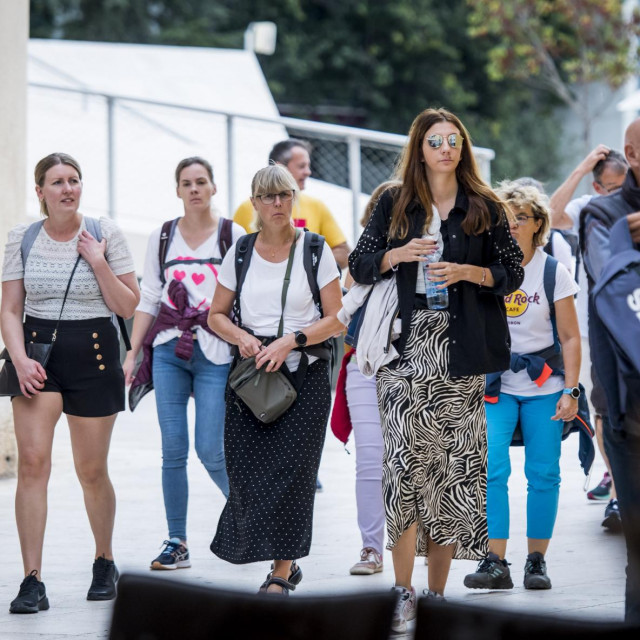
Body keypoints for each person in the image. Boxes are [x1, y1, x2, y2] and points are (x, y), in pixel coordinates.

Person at [348, 108, 524, 634]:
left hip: (462, 348)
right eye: (434, 141)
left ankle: (437, 595)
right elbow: (359, 264)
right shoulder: (393, 201)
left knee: (449, 475)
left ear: (462, 147)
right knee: (403, 471)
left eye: (452, 140)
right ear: (419, 148)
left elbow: (512, 273)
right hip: (404, 349)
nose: (444, 148)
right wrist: (399, 253)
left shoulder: (484, 205)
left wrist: (468, 271)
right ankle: (403, 593)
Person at [1, 152, 139, 612]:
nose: (67, 189)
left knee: (91, 471)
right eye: (57, 182)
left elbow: (126, 306)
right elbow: (9, 309)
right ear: (39, 191)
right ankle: (31, 580)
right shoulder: (22, 237)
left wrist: (98, 261)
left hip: (95, 356)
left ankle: (104, 559)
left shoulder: (104, 233)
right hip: (38, 357)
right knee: (33, 465)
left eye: (74, 180)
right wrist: (18, 359)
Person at [208, 163, 343, 595]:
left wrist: (293, 340)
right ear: (255, 204)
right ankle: (278, 559)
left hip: (304, 373)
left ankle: (281, 571)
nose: (277, 203)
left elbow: (338, 318)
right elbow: (215, 315)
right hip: (251, 376)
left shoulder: (315, 249)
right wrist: (242, 337)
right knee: (246, 473)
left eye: (283, 194)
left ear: (293, 198)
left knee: (293, 473)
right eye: (267, 196)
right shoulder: (241, 251)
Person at [122, 157, 245, 570]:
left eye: (201, 182)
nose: (194, 189)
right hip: (169, 351)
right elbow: (149, 297)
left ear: (213, 188)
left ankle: (254, 520)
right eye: (186, 183)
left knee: (210, 449)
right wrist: (132, 351)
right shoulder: (162, 236)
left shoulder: (233, 235)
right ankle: (177, 541)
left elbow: (246, 296)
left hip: (216, 352)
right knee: (172, 449)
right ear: (177, 190)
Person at [463, 181, 581, 592]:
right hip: (495, 383)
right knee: (490, 469)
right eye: (505, 220)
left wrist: (572, 391)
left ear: (538, 225)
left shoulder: (553, 271)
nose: (512, 226)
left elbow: (569, 337)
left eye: (521, 219)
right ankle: (495, 561)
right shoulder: (486, 269)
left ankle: (536, 561)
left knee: (544, 473)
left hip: (545, 385)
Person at [549, 146, 628, 531]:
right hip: (595, 322)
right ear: (597, 187)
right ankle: (616, 490)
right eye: (607, 188)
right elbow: (551, 214)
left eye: (621, 186)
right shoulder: (587, 208)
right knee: (602, 404)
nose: (615, 195)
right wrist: (580, 167)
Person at [581, 117, 640, 623]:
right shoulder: (604, 215)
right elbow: (610, 285)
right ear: (632, 154)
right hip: (629, 410)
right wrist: (625, 236)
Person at [334, 181, 401, 576]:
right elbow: (343, 312)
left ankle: (414, 541)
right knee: (370, 461)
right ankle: (371, 548)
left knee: (411, 460)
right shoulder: (359, 265)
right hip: (364, 368)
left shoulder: (426, 257)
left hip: (411, 367)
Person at [233, 139, 351, 269]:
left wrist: (307, 265)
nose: (308, 172)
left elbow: (343, 252)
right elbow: (231, 255)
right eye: (301, 166)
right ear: (280, 168)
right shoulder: (246, 208)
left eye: (308, 166)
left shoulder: (316, 206)